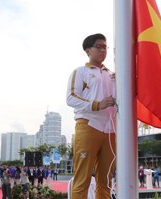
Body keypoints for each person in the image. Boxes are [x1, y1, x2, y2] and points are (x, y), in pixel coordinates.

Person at [66, 33, 116, 199]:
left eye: (105, 47)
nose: (103, 50)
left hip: (110, 130)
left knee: (106, 180)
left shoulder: (113, 75)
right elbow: (71, 97)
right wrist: (97, 104)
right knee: (82, 179)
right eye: (99, 47)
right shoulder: (80, 72)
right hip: (88, 125)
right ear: (88, 50)